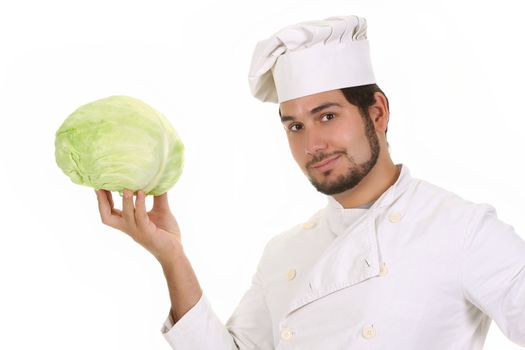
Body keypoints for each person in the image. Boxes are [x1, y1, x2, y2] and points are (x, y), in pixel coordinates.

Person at [95, 15, 525, 349]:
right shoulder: (284, 252)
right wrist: (172, 255)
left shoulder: (461, 230)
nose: (313, 144)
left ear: (377, 112)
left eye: (327, 116)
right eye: (295, 126)